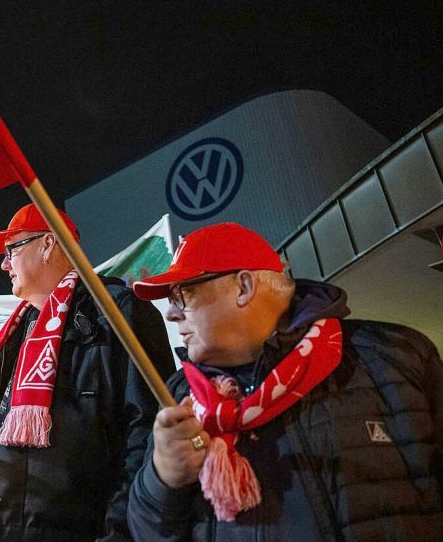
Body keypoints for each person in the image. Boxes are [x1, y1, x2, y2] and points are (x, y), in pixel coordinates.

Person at [126, 222, 443, 541]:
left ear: (244, 287)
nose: (171, 314)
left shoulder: (394, 355)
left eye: (182, 293)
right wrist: (162, 478)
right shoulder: (179, 396)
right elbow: (146, 532)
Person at [0, 204, 176, 542]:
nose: (3, 263)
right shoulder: (11, 337)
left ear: (49, 243)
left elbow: (148, 435)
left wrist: (120, 532)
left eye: (12, 249)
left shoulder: (116, 313)